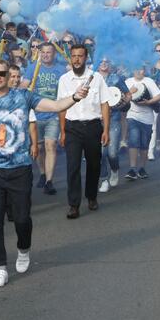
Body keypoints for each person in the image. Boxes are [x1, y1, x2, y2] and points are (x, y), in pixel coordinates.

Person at [0, 59, 89, 287]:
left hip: (20, 169)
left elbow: (55, 106)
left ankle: (23, 248)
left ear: (9, 75)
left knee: (21, 219)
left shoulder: (23, 97)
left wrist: (75, 97)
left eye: (2, 73)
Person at [57, 44, 110, 218]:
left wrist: (106, 130)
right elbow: (61, 107)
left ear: (86, 58)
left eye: (80, 56)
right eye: (74, 56)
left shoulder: (97, 79)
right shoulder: (64, 79)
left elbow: (104, 104)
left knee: (94, 165)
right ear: (70, 58)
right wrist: (63, 131)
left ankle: (92, 196)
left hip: (93, 126)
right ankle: (73, 204)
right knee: (72, 167)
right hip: (72, 128)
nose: (77, 59)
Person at [22, 42, 62, 194]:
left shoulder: (61, 69)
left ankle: (49, 181)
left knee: (50, 145)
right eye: (43, 52)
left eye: (49, 52)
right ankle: (43, 172)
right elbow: (23, 85)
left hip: (54, 114)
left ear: (54, 54)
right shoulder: (33, 67)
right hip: (35, 114)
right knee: (38, 148)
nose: (46, 55)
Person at [124, 66, 160, 180]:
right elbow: (123, 100)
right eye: (136, 68)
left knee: (144, 144)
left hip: (147, 118)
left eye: (141, 69)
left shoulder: (149, 81)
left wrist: (149, 102)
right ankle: (132, 169)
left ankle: (142, 168)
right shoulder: (128, 82)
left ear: (144, 70)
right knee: (133, 140)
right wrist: (129, 93)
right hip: (132, 116)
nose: (138, 71)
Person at [96, 59, 129, 193]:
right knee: (100, 154)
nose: (104, 63)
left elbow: (128, 94)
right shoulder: (92, 78)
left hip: (114, 118)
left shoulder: (116, 78)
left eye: (107, 61)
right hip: (96, 120)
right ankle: (104, 179)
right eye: (101, 61)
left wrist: (121, 104)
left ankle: (115, 170)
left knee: (112, 153)